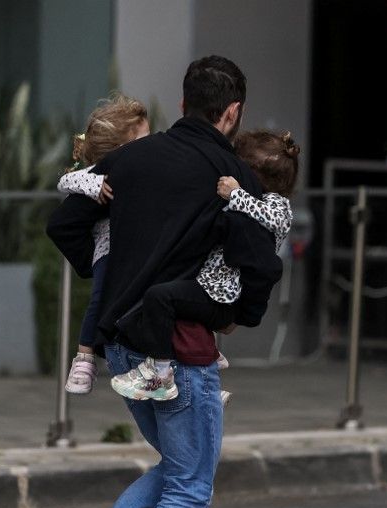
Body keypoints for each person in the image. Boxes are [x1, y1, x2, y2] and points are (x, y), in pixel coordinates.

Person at [46, 55, 283, 508]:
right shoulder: (231, 175)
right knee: (193, 485)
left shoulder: (126, 161)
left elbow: (65, 224)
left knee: (181, 466)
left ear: (181, 105)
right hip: (182, 347)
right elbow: (259, 263)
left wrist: (108, 270)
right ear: (232, 113)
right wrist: (235, 316)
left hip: (124, 346)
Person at [109, 129, 300, 402]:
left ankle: (160, 374)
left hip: (221, 295)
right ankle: (203, 383)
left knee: (159, 298)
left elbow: (270, 218)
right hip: (212, 287)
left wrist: (235, 193)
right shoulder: (252, 201)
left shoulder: (278, 205)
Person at [56, 94, 150, 395]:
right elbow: (66, 181)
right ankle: (84, 357)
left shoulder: (147, 169)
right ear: (118, 150)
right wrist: (94, 184)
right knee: (100, 297)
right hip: (108, 247)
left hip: (137, 247)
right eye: (144, 141)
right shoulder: (100, 174)